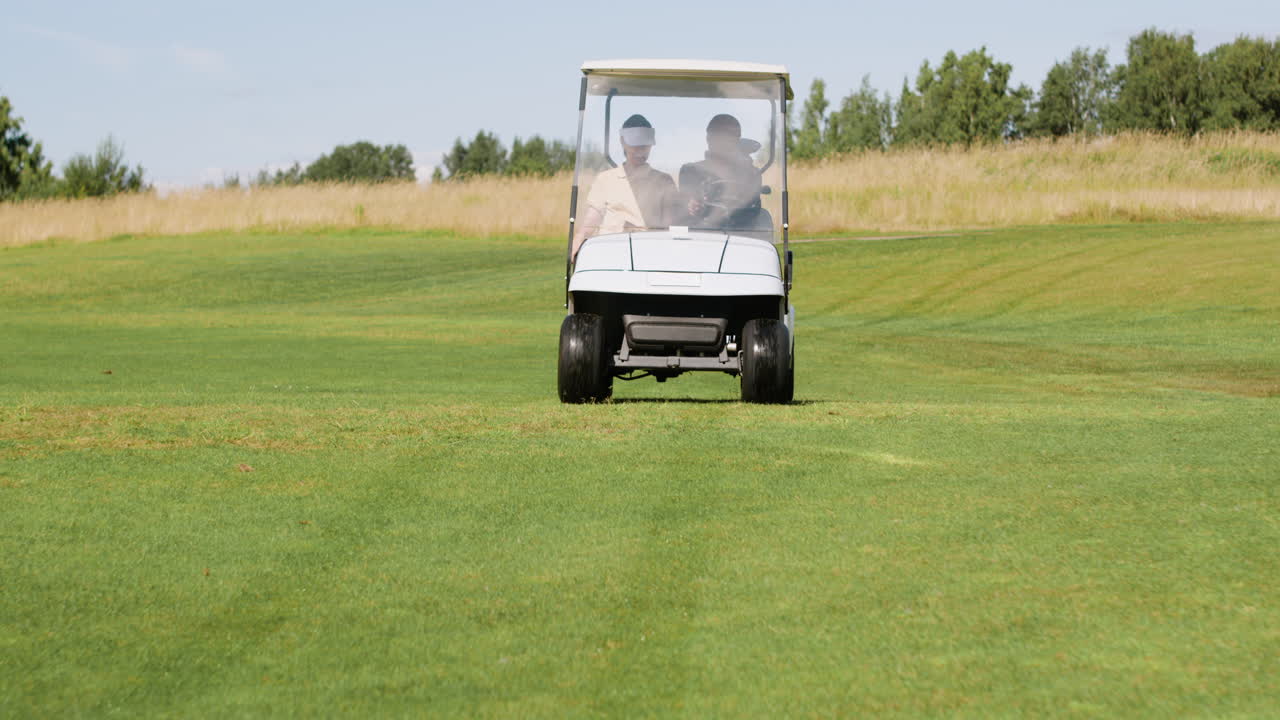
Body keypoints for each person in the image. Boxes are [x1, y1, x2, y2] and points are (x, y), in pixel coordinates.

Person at [573, 114, 679, 257]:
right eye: (634, 145)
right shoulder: (605, 179)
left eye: (644, 145)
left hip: (649, 252)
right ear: (622, 141)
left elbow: (670, 226)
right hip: (610, 251)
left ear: (650, 145)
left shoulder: (664, 181)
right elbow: (591, 221)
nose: (639, 150)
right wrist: (579, 239)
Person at [678, 113, 764, 231]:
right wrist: (691, 205)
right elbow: (683, 207)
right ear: (708, 138)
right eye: (719, 136)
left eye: (731, 136)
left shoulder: (751, 173)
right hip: (700, 235)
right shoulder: (690, 171)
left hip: (742, 236)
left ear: (737, 140)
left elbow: (753, 211)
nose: (725, 141)